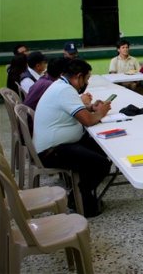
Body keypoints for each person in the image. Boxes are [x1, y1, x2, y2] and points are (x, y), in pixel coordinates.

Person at [33, 59, 112, 217]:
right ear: (78, 77)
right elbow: (88, 121)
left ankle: (84, 195)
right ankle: (78, 200)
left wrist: (90, 108)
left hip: (60, 143)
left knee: (103, 148)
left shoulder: (61, 85)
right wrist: (101, 112)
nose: (87, 83)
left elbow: (73, 109)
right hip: (52, 150)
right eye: (87, 79)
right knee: (100, 164)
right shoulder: (65, 90)